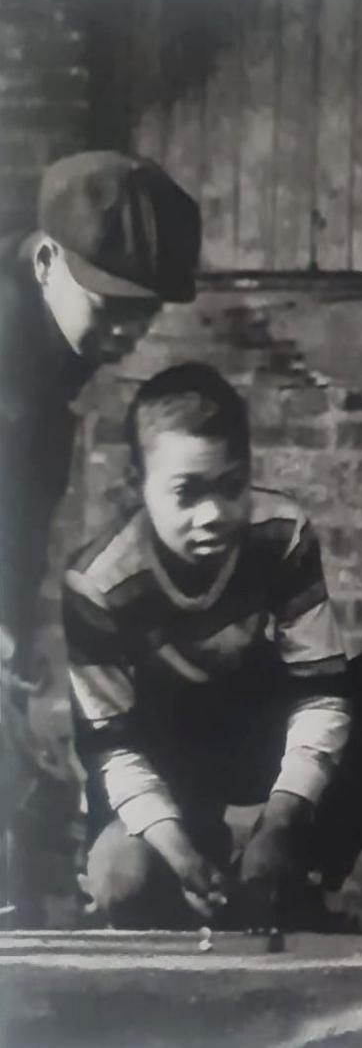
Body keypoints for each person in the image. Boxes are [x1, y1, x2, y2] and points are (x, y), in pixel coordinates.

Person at [64, 363, 362, 929]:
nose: (212, 515)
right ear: (139, 484)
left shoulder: (281, 533)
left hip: (251, 726)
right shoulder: (97, 583)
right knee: (122, 885)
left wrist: (283, 819)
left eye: (231, 486)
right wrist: (178, 852)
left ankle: (300, 873)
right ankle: (205, 873)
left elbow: (321, 690)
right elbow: (112, 748)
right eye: (186, 493)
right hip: (163, 755)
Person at [0, 150, 201, 926]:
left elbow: (21, 519)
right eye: (111, 306)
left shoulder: (49, 340)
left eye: (143, 314)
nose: (126, 333)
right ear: (47, 260)